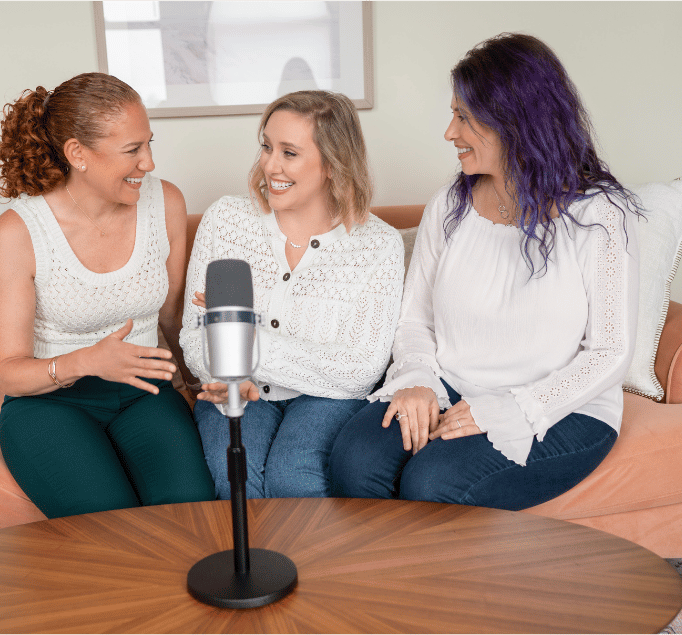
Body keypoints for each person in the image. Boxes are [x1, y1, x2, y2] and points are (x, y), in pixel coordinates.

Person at [329, 33, 642, 511]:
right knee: (356, 459)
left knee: (432, 483)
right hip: (452, 384)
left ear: (516, 122)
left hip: (564, 408)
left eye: (465, 117)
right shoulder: (450, 206)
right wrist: (416, 379)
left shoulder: (601, 216)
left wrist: (514, 408)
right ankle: (388, 584)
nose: (450, 133)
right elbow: (415, 320)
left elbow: (608, 352)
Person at [0, 72, 214, 519]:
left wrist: (196, 384)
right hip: (49, 406)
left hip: (143, 394)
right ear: (78, 154)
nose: (148, 163)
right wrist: (86, 361)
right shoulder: (20, 231)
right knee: (108, 520)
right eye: (132, 150)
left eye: (148, 143)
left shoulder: (164, 202)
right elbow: (11, 374)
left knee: (190, 515)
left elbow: (171, 316)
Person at [181, 90, 405, 500]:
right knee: (237, 480)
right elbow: (195, 339)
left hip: (327, 400)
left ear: (334, 165)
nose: (270, 165)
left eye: (289, 153)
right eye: (266, 146)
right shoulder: (225, 220)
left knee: (294, 481)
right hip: (236, 389)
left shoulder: (378, 245)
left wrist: (243, 342)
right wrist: (228, 369)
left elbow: (360, 369)